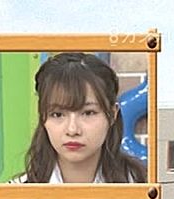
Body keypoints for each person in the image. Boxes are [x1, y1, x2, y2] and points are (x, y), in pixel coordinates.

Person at [19, 52, 147, 184]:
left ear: (112, 114)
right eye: (57, 114)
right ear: (42, 116)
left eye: (88, 113)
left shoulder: (143, 186)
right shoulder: (16, 192)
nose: (72, 130)